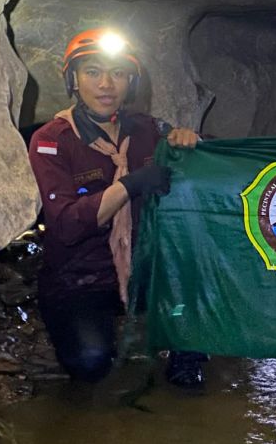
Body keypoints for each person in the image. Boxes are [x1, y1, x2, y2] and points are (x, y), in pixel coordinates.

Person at [28, 28, 204, 384]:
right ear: (73, 80)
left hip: (143, 267)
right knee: (91, 362)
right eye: (93, 72)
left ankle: (182, 346)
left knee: (195, 303)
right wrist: (129, 185)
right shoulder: (51, 140)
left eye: (118, 73)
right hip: (80, 276)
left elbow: (200, 169)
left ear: (130, 82)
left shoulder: (147, 130)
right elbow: (64, 224)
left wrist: (189, 142)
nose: (106, 84)